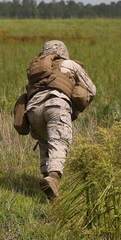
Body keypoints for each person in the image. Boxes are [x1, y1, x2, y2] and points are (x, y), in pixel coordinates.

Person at [24, 40, 96, 200]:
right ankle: (53, 178)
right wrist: (79, 104)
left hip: (33, 110)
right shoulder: (70, 64)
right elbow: (92, 89)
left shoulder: (37, 70)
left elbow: (27, 90)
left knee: (45, 141)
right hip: (56, 104)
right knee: (59, 140)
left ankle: (48, 185)